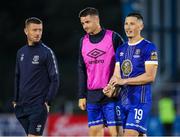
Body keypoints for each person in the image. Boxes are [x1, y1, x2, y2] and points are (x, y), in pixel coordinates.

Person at [104, 12, 158, 136]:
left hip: (140, 100)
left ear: (141, 26)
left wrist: (125, 81)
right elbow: (116, 75)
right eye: (126, 24)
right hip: (123, 100)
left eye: (132, 24)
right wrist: (111, 86)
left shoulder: (148, 47)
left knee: (129, 135)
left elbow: (150, 76)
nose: (128, 27)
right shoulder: (121, 49)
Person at [78, 7, 124, 136]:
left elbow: (124, 65)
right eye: (82, 23)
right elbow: (81, 68)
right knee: (95, 133)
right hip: (92, 96)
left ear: (96, 19)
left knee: (116, 134)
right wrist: (81, 95)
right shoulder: (83, 41)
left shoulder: (114, 37)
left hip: (112, 95)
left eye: (87, 22)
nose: (84, 26)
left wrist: (118, 86)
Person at [13, 17, 59, 136]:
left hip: (38, 107)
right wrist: (15, 100)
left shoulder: (47, 52)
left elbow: (55, 79)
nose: (38, 33)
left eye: (40, 30)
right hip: (22, 106)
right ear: (26, 31)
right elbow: (17, 76)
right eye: (34, 30)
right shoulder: (21, 52)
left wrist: (48, 101)